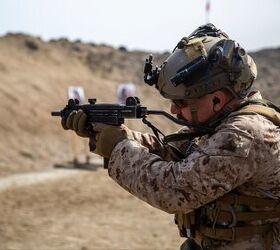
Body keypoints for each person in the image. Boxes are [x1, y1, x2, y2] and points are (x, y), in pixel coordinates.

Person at [60, 24, 280, 249]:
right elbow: (170, 152)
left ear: (217, 100)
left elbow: (175, 188)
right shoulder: (218, 124)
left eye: (181, 103)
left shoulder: (244, 134)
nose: (174, 111)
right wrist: (109, 133)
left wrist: (118, 146)